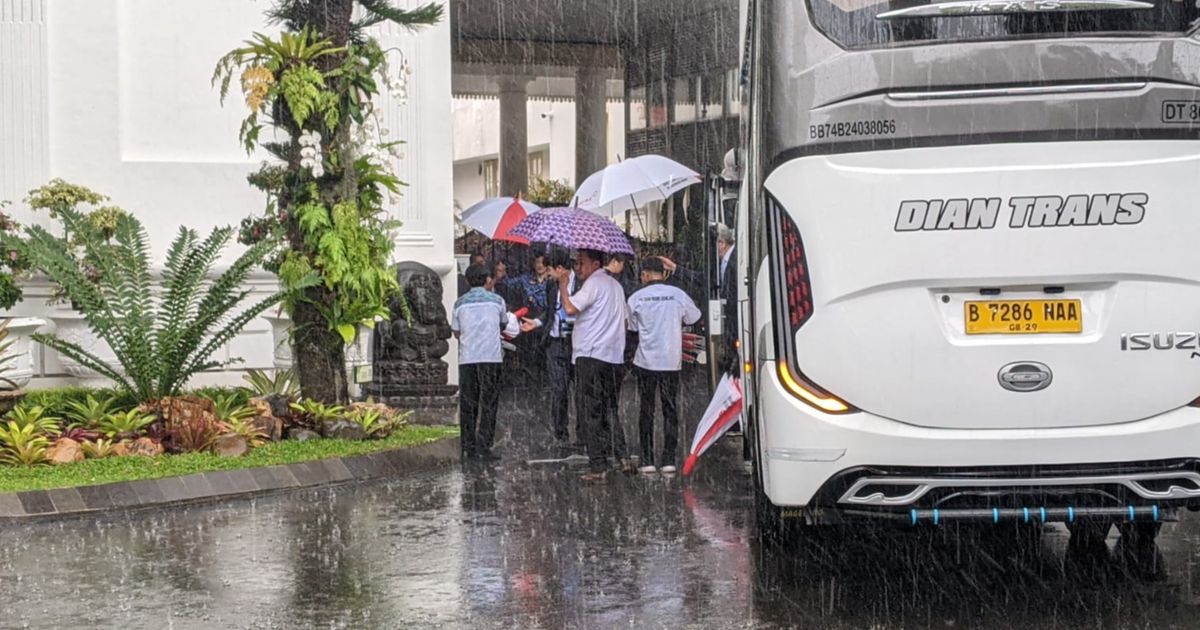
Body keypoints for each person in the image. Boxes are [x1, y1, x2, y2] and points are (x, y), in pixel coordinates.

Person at [554, 248, 629, 481]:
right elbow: (625, 322)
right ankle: (622, 456)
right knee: (609, 408)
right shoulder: (616, 286)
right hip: (613, 357)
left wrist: (563, 285)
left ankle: (598, 465)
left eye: (581, 262)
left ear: (595, 263)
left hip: (590, 355)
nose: (578, 267)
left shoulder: (594, 284)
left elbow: (568, 309)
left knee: (590, 411)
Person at [627, 257, 701, 474]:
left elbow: (631, 328)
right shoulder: (679, 295)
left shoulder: (636, 298)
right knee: (670, 410)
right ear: (663, 273)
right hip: (671, 361)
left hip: (646, 362)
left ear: (646, 275)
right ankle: (669, 459)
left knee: (646, 410)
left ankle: (647, 459)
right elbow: (694, 318)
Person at [452, 263, 520, 461]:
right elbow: (503, 324)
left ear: (467, 281)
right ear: (487, 280)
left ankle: (468, 446)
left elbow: (456, 331)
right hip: (491, 358)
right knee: (489, 403)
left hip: (467, 359)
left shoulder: (459, 303)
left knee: (468, 403)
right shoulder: (497, 301)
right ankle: (485, 446)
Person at [521, 249, 580, 450]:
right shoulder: (551, 285)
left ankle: (583, 435)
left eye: (549, 269)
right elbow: (550, 311)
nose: (546, 273)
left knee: (581, 391)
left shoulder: (582, 284)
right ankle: (560, 434)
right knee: (558, 389)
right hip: (556, 342)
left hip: (577, 341)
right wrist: (537, 322)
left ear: (560, 268)